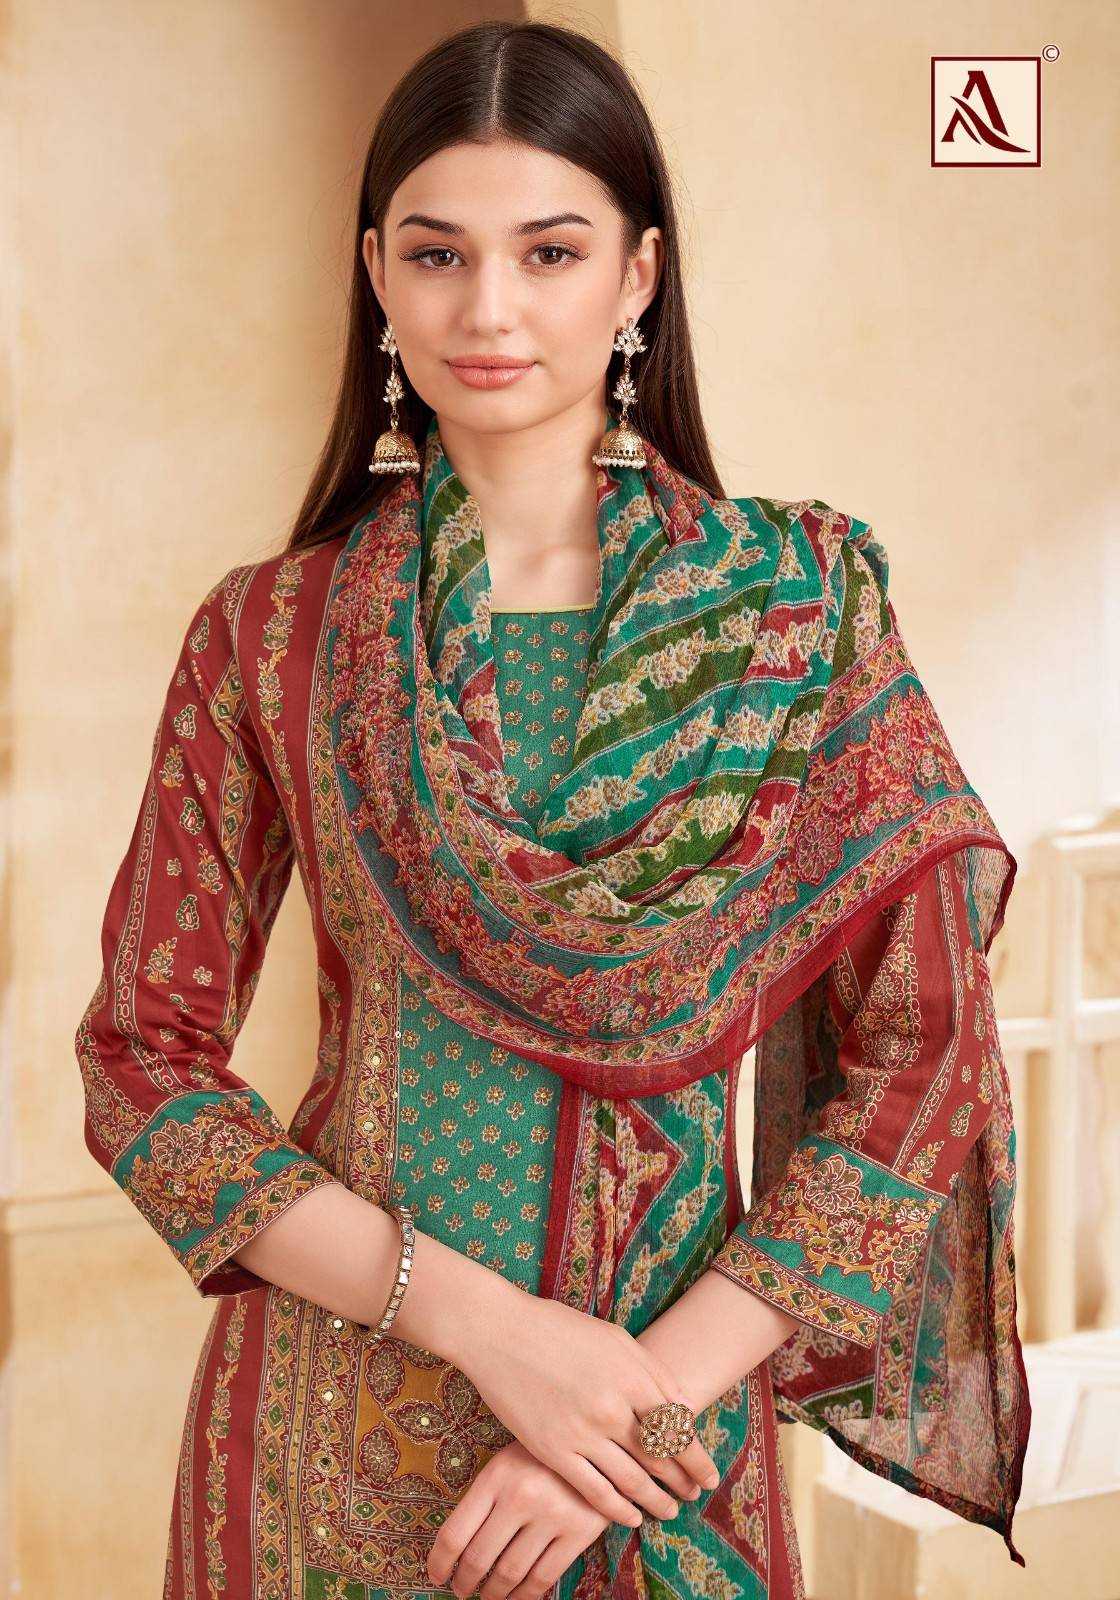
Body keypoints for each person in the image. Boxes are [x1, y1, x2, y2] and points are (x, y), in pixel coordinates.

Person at [73, 19, 1031, 1600]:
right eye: (437, 254)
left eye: (552, 251)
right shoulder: (271, 632)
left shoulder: (795, 612)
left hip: (666, 1440)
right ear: (375, 274)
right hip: (325, 1430)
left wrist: (639, 1397)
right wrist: (496, 1333)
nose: (490, 309)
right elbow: (140, 1065)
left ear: (639, 275)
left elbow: (922, 1058)